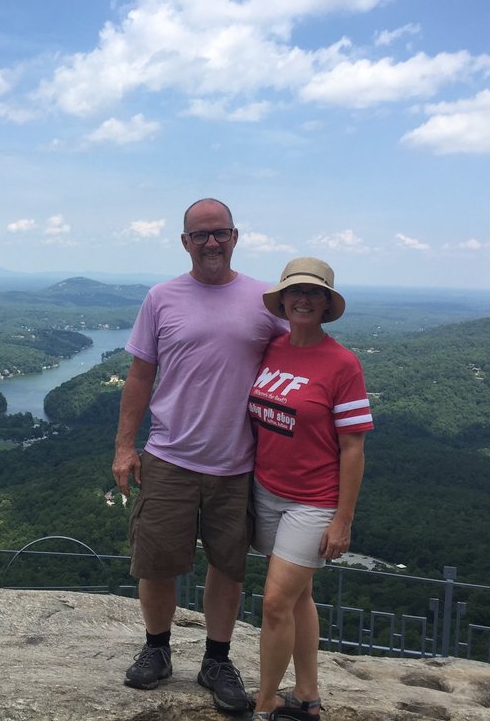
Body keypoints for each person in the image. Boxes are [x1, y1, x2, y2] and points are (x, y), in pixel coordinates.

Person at [112, 198, 288, 713]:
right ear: (184, 242)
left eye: (220, 232)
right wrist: (124, 446)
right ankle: (157, 649)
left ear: (236, 236)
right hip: (169, 455)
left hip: (238, 462)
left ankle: (216, 660)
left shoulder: (265, 300)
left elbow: (299, 361)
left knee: (227, 567)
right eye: (201, 234)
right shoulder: (161, 298)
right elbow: (140, 376)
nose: (212, 242)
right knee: (156, 563)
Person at [247, 257, 373, 720]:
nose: (303, 299)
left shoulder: (342, 364)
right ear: (282, 299)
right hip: (266, 490)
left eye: (314, 292)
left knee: (275, 602)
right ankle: (307, 695)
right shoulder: (272, 348)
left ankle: (265, 704)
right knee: (299, 596)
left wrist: (343, 519)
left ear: (326, 303)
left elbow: (353, 448)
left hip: (314, 501)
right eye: (295, 291)